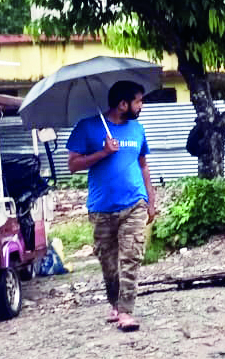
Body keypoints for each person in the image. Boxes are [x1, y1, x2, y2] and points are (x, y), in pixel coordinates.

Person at [66, 80, 157, 333]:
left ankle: (126, 312)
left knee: (131, 258)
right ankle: (115, 304)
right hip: (101, 208)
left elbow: (143, 166)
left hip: (134, 204)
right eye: (138, 101)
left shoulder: (137, 129)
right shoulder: (87, 127)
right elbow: (72, 165)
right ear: (122, 104)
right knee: (109, 263)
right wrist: (103, 153)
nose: (142, 106)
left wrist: (151, 201)